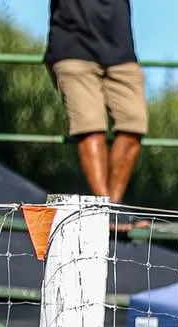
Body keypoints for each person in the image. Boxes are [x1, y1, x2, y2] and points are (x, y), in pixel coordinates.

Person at [44, 0, 148, 207]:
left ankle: (112, 208)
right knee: (90, 127)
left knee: (134, 123)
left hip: (121, 49)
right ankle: (104, 210)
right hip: (72, 45)